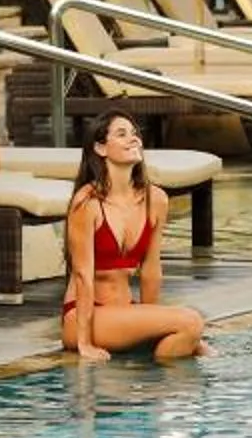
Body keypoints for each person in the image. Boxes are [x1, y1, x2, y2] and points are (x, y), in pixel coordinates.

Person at [61, 113, 210, 363]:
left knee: (191, 336)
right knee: (191, 322)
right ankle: (155, 375)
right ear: (100, 148)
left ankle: (153, 379)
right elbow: (82, 274)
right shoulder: (87, 202)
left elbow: (151, 270)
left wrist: (155, 322)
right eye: (122, 134)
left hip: (126, 310)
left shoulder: (156, 200)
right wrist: (84, 342)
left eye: (134, 134)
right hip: (85, 316)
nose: (133, 139)